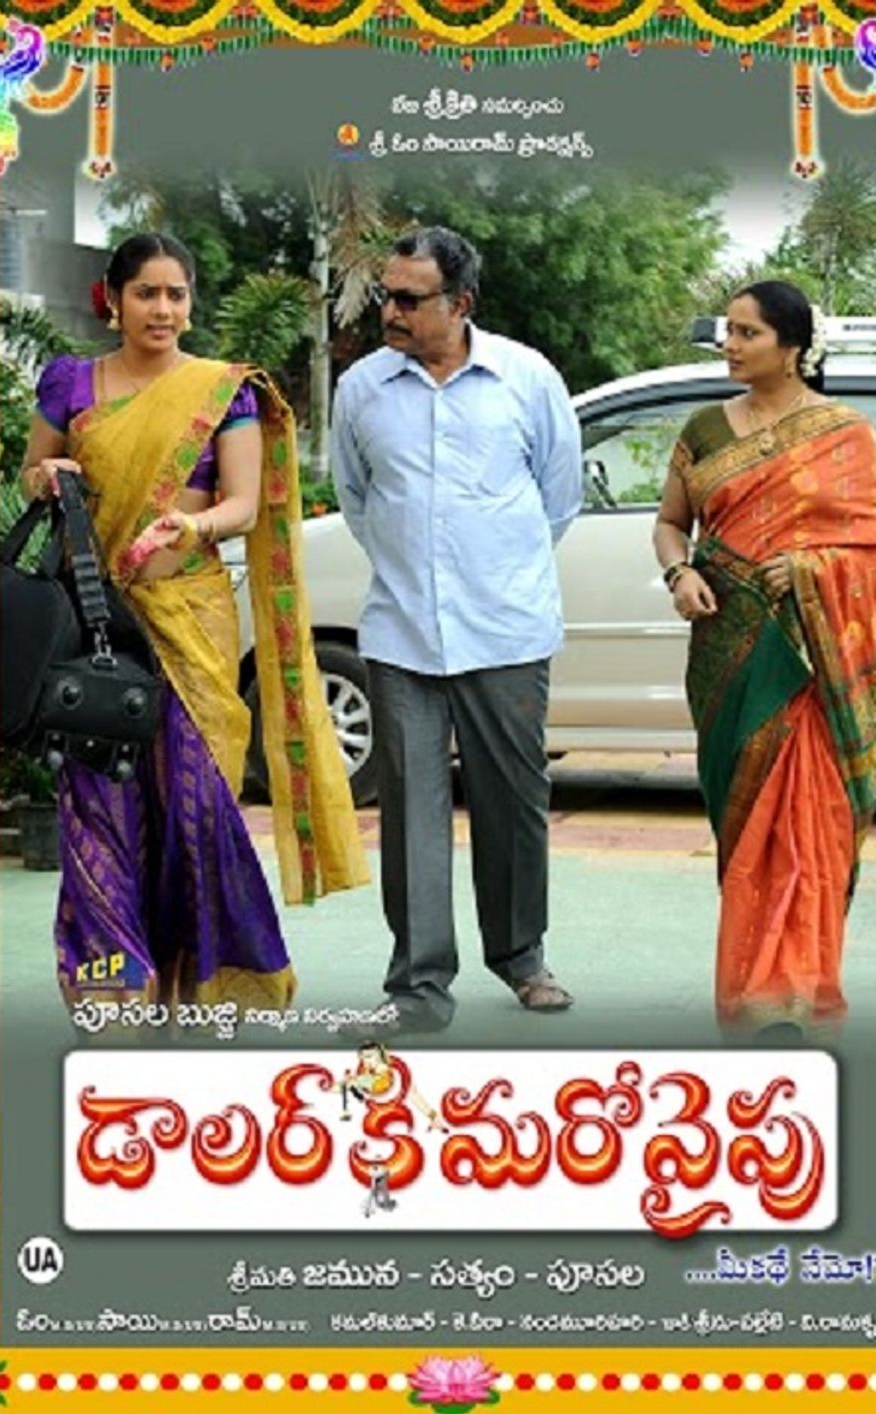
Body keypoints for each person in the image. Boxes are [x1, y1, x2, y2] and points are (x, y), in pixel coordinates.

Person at [19, 231, 368, 1012]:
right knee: (101, 808)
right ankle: (116, 992)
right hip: (94, 626)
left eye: (176, 294)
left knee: (195, 809)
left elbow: (243, 504)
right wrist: (46, 476)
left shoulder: (222, 391)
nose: (163, 308)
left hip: (189, 623)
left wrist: (193, 526)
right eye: (147, 292)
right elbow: (31, 472)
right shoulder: (70, 382)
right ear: (114, 301)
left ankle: (203, 991)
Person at [330, 226, 583, 1033]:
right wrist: (415, 569)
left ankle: (522, 957)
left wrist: (490, 570)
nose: (391, 312)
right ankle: (418, 985)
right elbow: (358, 498)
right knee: (411, 813)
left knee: (512, 801)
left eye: (410, 299)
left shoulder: (527, 379)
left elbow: (559, 498)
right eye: (387, 295)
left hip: (506, 629)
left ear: (460, 302)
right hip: (402, 631)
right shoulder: (362, 389)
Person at [653, 280, 876, 1037]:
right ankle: (754, 987)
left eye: (747, 333)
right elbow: (671, 523)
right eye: (726, 331)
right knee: (747, 830)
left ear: (791, 347)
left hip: (809, 665)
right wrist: (680, 572)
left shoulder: (846, 434)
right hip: (728, 654)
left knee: (805, 829)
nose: (728, 345)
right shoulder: (704, 429)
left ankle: (792, 993)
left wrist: (808, 570)